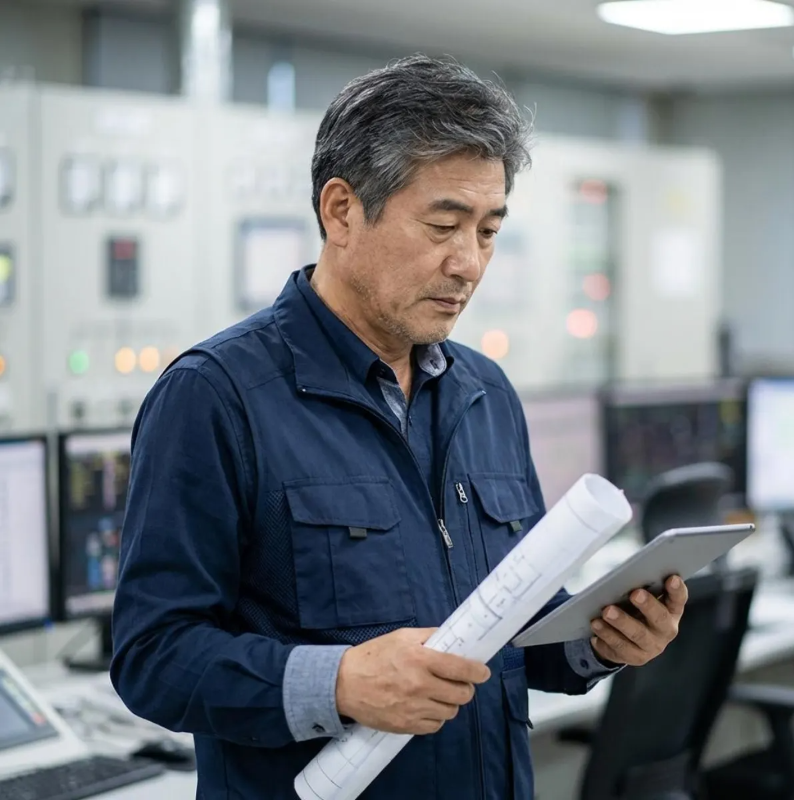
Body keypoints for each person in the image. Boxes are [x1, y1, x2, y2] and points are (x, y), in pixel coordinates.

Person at [111, 55, 688, 800]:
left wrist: (598, 641)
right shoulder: (216, 397)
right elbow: (153, 657)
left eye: (487, 230)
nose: (469, 263)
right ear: (342, 210)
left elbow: (507, 629)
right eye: (443, 224)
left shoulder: (485, 393)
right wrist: (341, 682)